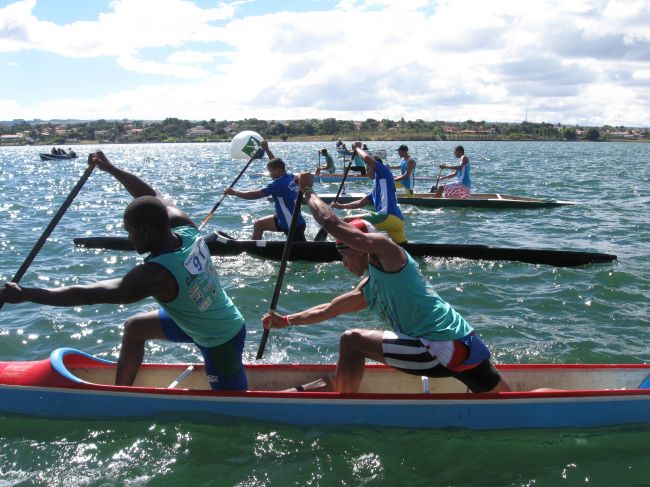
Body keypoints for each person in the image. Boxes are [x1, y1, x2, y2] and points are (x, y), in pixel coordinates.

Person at [0, 152, 248, 391]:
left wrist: (27, 294)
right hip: (203, 318)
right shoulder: (185, 228)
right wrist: (110, 169)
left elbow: (86, 295)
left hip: (220, 339)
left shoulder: (155, 274)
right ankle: (120, 393)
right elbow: (150, 196)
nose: (129, 238)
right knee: (135, 328)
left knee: (235, 406)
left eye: (130, 231)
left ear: (146, 230)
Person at [262, 173, 511, 394]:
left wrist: (307, 191)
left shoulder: (389, 253)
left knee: (352, 340)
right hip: (464, 343)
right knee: (507, 403)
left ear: (360, 247)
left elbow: (330, 223)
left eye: (344, 255)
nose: (343, 263)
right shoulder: (370, 287)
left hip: (439, 348)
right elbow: (328, 309)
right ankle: (339, 386)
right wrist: (285, 321)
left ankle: (343, 401)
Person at [225, 139, 306, 241]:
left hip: (291, 225)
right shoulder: (290, 176)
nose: (269, 174)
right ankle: (253, 248)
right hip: (292, 220)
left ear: (278, 170)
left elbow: (255, 195)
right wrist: (267, 150)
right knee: (258, 224)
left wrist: (234, 192)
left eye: (270, 171)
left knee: (302, 253)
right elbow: (275, 162)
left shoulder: (277, 184)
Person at [330, 142, 406, 244]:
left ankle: (343, 246)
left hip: (386, 217)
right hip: (398, 221)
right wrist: (340, 206)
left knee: (347, 220)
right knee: (403, 246)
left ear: (375, 168)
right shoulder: (377, 187)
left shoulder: (384, 172)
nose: (366, 173)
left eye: (368, 169)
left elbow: (366, 158)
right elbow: (360, 203)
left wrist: (357, 149)